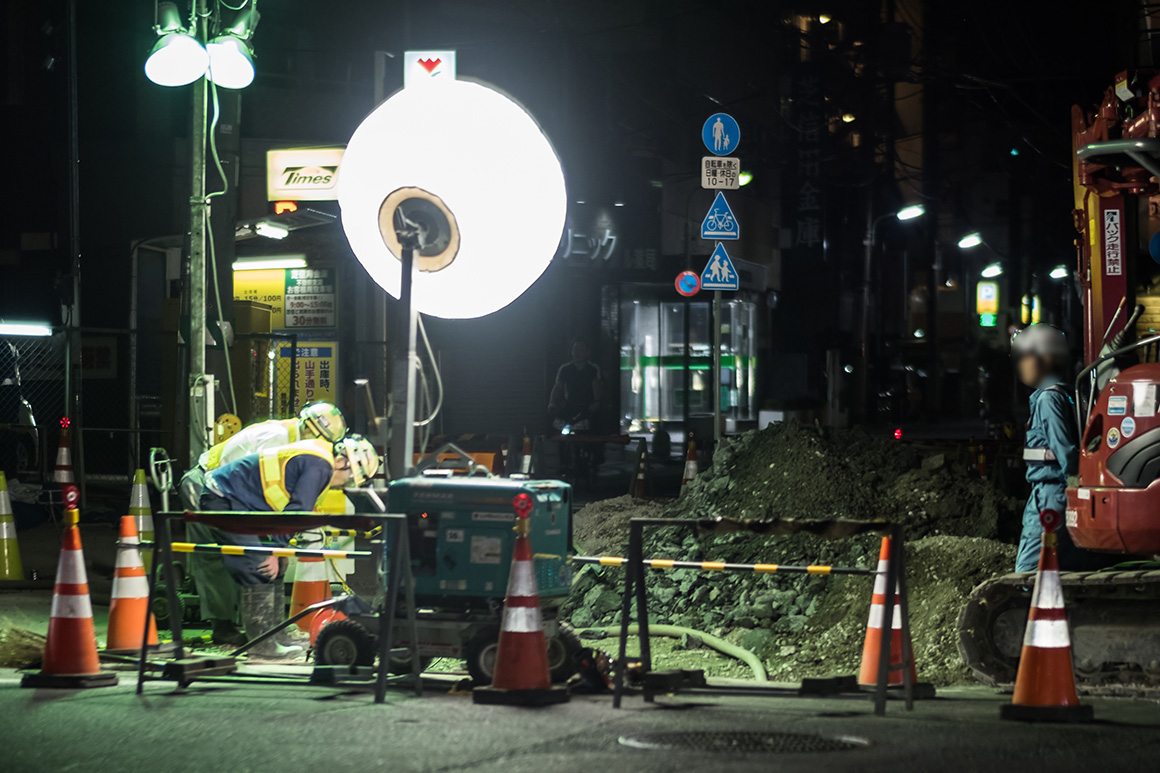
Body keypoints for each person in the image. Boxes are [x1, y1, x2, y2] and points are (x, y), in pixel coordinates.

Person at [178, 402, 347, 646]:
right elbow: (251, 488)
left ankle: (261, 631)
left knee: (256, 557)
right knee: (219, 559)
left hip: (232, 494)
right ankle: (227, 627)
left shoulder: (304, 448)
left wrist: (277, 546)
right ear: (308, 427)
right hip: (208, 483)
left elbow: (274, 498)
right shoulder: (278, 437)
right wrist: (271, 547)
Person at [199, 434, 379, 658]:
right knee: (260, 565)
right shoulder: (320, 467)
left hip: (243, 501)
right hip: (225, 498)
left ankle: (274, 635)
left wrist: (279, 551)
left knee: (276, 566)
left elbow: (287, 507)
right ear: (342, 462)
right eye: (349, 479)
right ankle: (262, 647)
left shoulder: (318, 455)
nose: (345, 484)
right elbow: (297, 512)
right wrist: (274, 551)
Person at [1011, 324, 1084, 572]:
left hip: (1052, 494)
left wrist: (1074, 483)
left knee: (1029, 569)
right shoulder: (1064, 394)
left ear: (1045, 359)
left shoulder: (1048, 398)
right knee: (1063, 564)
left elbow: (1063, 447)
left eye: (1027, 358)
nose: (1023, 365)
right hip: (1054, 491)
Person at [548, 338, 601, 431]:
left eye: (581, 350)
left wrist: (597, 402)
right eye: (575, 349)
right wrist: (552, 403)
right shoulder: (565, 369)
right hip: (569, 406)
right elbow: (558, 387)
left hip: (588, 408)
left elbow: (596, 387)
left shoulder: (592, 369)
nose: (577, 353)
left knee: (589, 432)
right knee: (556, 428)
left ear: (587, 352)